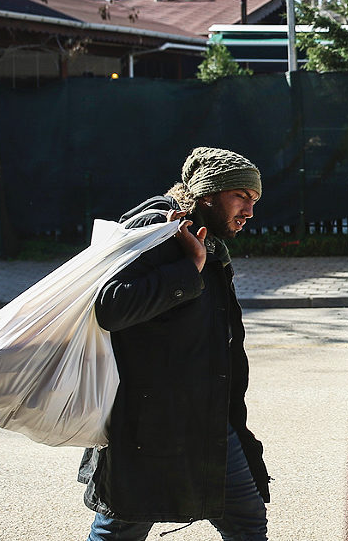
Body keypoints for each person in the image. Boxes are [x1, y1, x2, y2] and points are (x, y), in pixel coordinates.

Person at [77, 147, 270, 541]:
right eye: (241, 196)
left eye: (254, 199)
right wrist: (189, 269)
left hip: (206, 418)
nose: (249, 211)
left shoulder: (206, 240)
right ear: (208, 194)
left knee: (247, 521)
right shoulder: (157, 227)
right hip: (150, 425)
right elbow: (110, 306)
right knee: (120, 529)